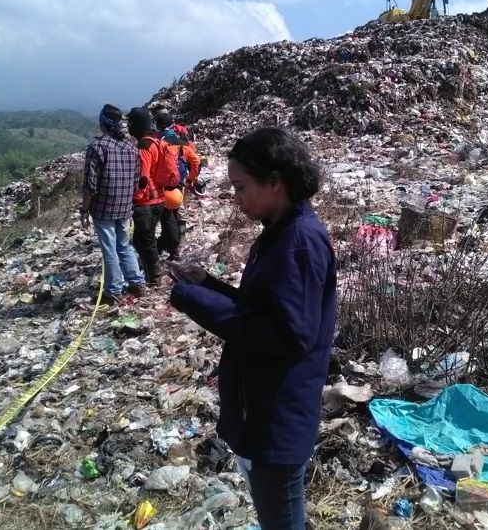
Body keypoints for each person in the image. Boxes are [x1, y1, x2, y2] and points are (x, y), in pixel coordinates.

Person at [168, 127, 337, 530]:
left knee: (281, 517)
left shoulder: (297, 243)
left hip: (277, 415)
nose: (236, 198)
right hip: (267, 406)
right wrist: (206, 283)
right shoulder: (281, 232)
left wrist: (194, 300)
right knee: (282, 512)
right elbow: (260, 308)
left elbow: (288, 334)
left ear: (276, 182)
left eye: (242, 187)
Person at [79, 104, 146, 301]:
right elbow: (135, 182)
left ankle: (113, 291)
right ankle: (137, 284)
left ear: (103, 123)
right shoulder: (131, 149)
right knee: (124, 246)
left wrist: (84, 209)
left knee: (109, 249)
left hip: (103, 209)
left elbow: (90, 185)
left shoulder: (97, 147)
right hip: (125, 208)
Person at [127, 107, 174, 285]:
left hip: (147, 201)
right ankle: (151, 272)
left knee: (143, 241)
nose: (129, 126)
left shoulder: (144, 146)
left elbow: (144, 175)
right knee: (145, 238)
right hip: (159, 198)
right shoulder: (155, 141)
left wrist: (137, 197)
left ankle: (155, 276)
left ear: (138, 124)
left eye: (131, 122)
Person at [153, 109, 200, 260]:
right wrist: (190, 180)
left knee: (167, 217)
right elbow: (196, 162)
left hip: (163, 185)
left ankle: (173, 249)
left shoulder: (161, 144)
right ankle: (167, 244)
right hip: (179, 184)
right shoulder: (183, 144)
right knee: (174, 214)